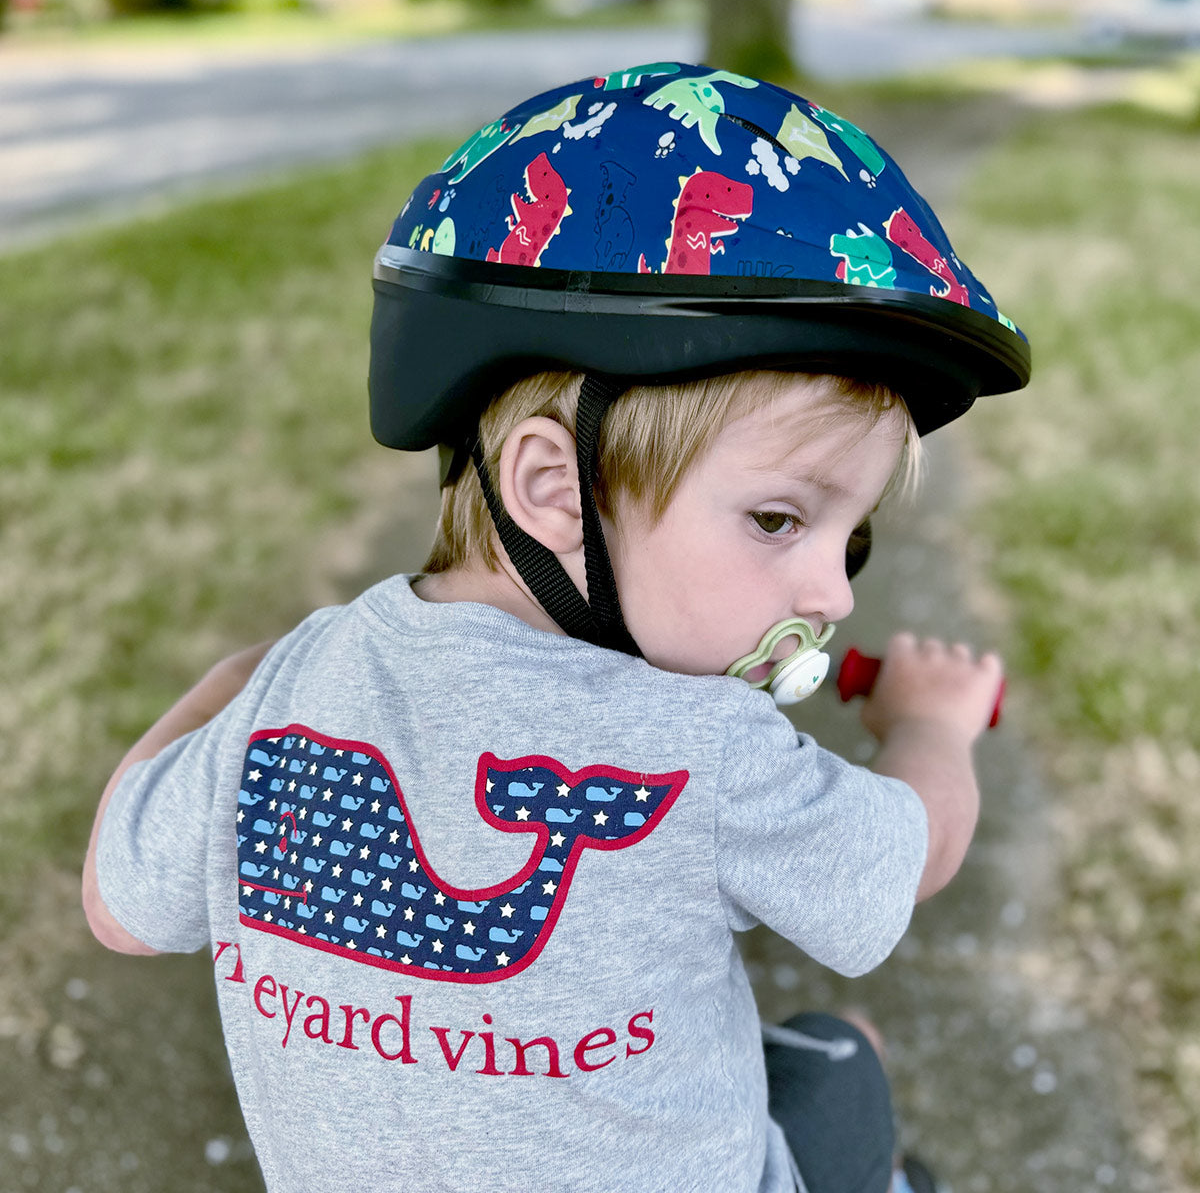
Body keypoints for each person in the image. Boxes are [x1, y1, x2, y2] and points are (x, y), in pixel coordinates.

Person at [83, 63, 1027, 1193]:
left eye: (848, 535)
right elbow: (911, 857)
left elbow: (119, 910)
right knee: (844, 1060)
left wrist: (250, 679)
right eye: (780, 520)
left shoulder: (295, 689)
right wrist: (933, 728)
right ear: (551, 488)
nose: (835, 594)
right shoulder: (703, 747)